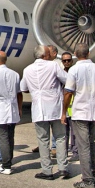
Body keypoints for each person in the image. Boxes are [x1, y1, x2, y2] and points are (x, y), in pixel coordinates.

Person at [62, 43, 95, 188]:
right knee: (91, 142)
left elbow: (68, 92)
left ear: (75, 54)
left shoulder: (74, 70)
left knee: (83, 147)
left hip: (81, 112)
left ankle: (88, 180)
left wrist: (63, 111)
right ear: (88, 54)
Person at [21, 45, 69, 180]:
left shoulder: (27, 69)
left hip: (39, 109)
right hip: (55, 107)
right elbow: (67, 80)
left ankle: (47, 171)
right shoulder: (53, 66)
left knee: (43, 140)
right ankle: (63, 167)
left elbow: (23, 88)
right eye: (48, 53)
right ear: (44, 56)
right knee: (60, 137)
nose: (51, 55)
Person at [61, 51, 78, 161]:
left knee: (75, 133)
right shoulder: (60, 74)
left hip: (74, 108)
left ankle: (75, 152)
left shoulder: (75, 72)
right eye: (64, 60)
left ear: (72, 61)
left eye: (68, 60)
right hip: (64, 108)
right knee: (63, 133)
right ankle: (64, 152)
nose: (67, 62)